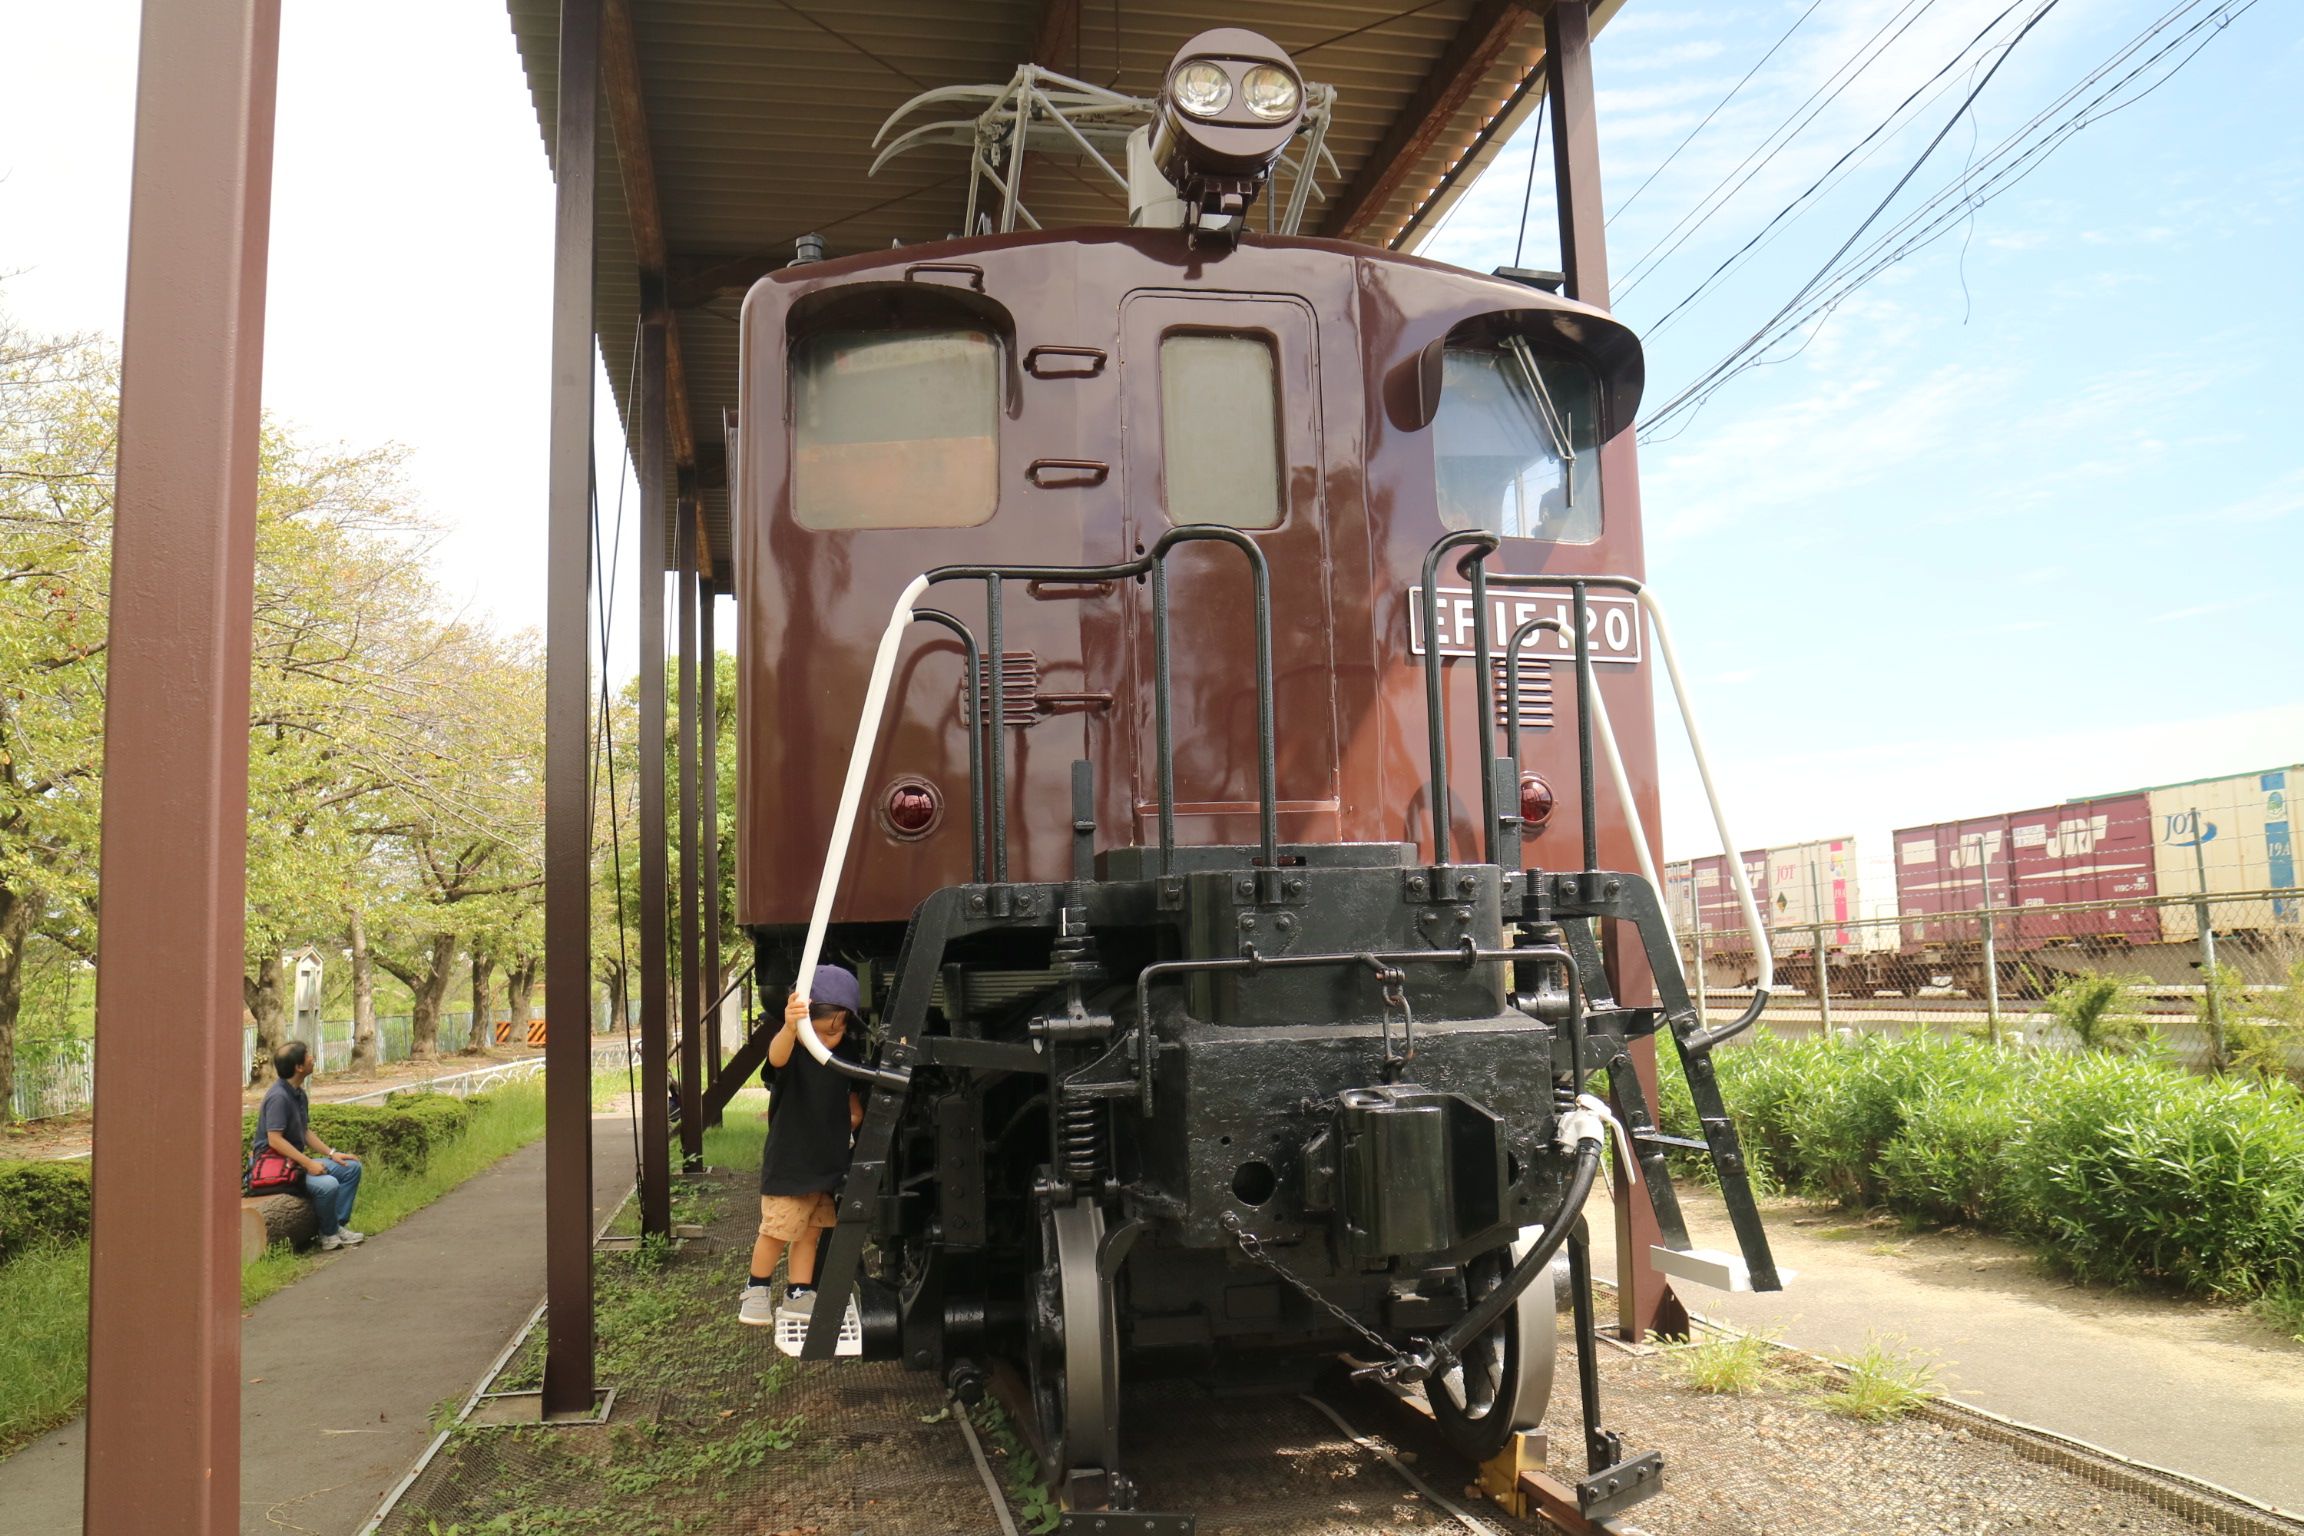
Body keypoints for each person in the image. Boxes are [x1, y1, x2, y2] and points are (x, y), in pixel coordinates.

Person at [738, 964, 865, 1326]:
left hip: (824, 1165)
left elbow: (850, 1095)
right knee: (777, 1231)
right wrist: (791, 1027)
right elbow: (775, 1058)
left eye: (838, 1033)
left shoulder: (845, 1056)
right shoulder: (793, 1051)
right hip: (792, 1165)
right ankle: (755, 1289)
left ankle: (799, 1292)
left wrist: (854, 1114)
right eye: (823, 1031)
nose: (829, 1040)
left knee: (810, 1234)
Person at [249, 1041, 367, 1252]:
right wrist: (308, 1164)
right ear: (299, 1067)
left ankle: (335, 1226)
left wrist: (332, 1154)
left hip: (294, 1163)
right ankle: (329, 1235)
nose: (313, 1057)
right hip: (275, 1167)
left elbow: (304, 1131)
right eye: (308, 1055)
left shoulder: (298, 1094)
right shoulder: (278, 1097)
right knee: (328, 1184)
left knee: (351, 1169)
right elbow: (274, 1140)